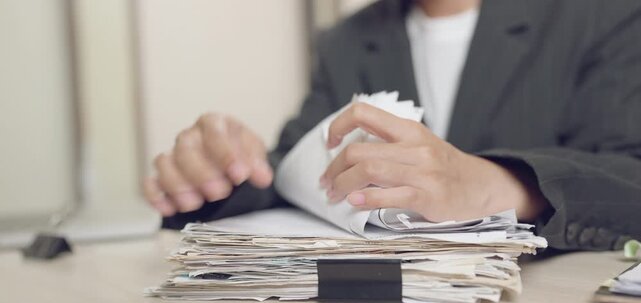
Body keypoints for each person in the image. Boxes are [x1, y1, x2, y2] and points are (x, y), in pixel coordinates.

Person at [143, 0, 641, 251]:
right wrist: (219, 177)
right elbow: (298, 171)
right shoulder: (348, 41)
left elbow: (630, 176)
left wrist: (500, 185)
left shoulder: (605, 15)